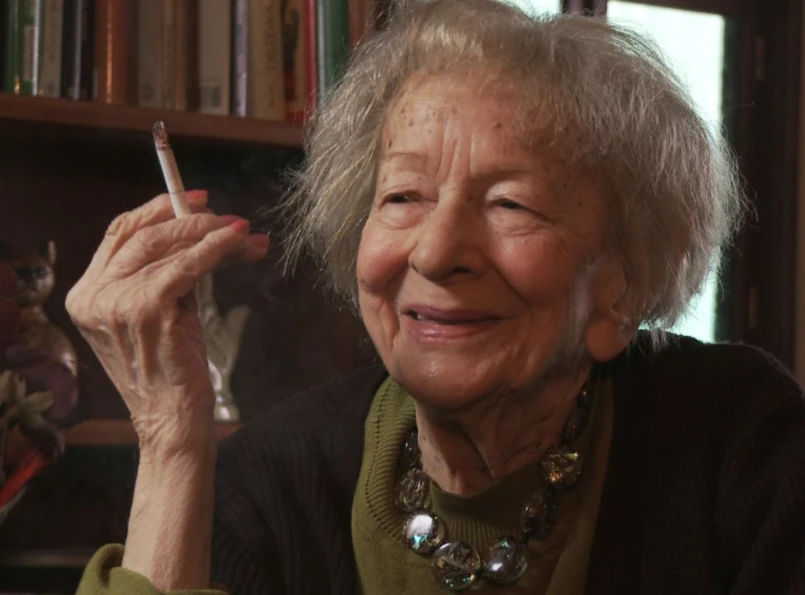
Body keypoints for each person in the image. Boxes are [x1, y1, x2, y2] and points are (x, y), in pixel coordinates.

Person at [69, 0, 805, 593]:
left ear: (621, 286)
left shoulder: (742, 446)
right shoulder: (269, 484)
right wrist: (171, 436)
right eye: (403, 196)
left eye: (511, 204)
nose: (434, 251)